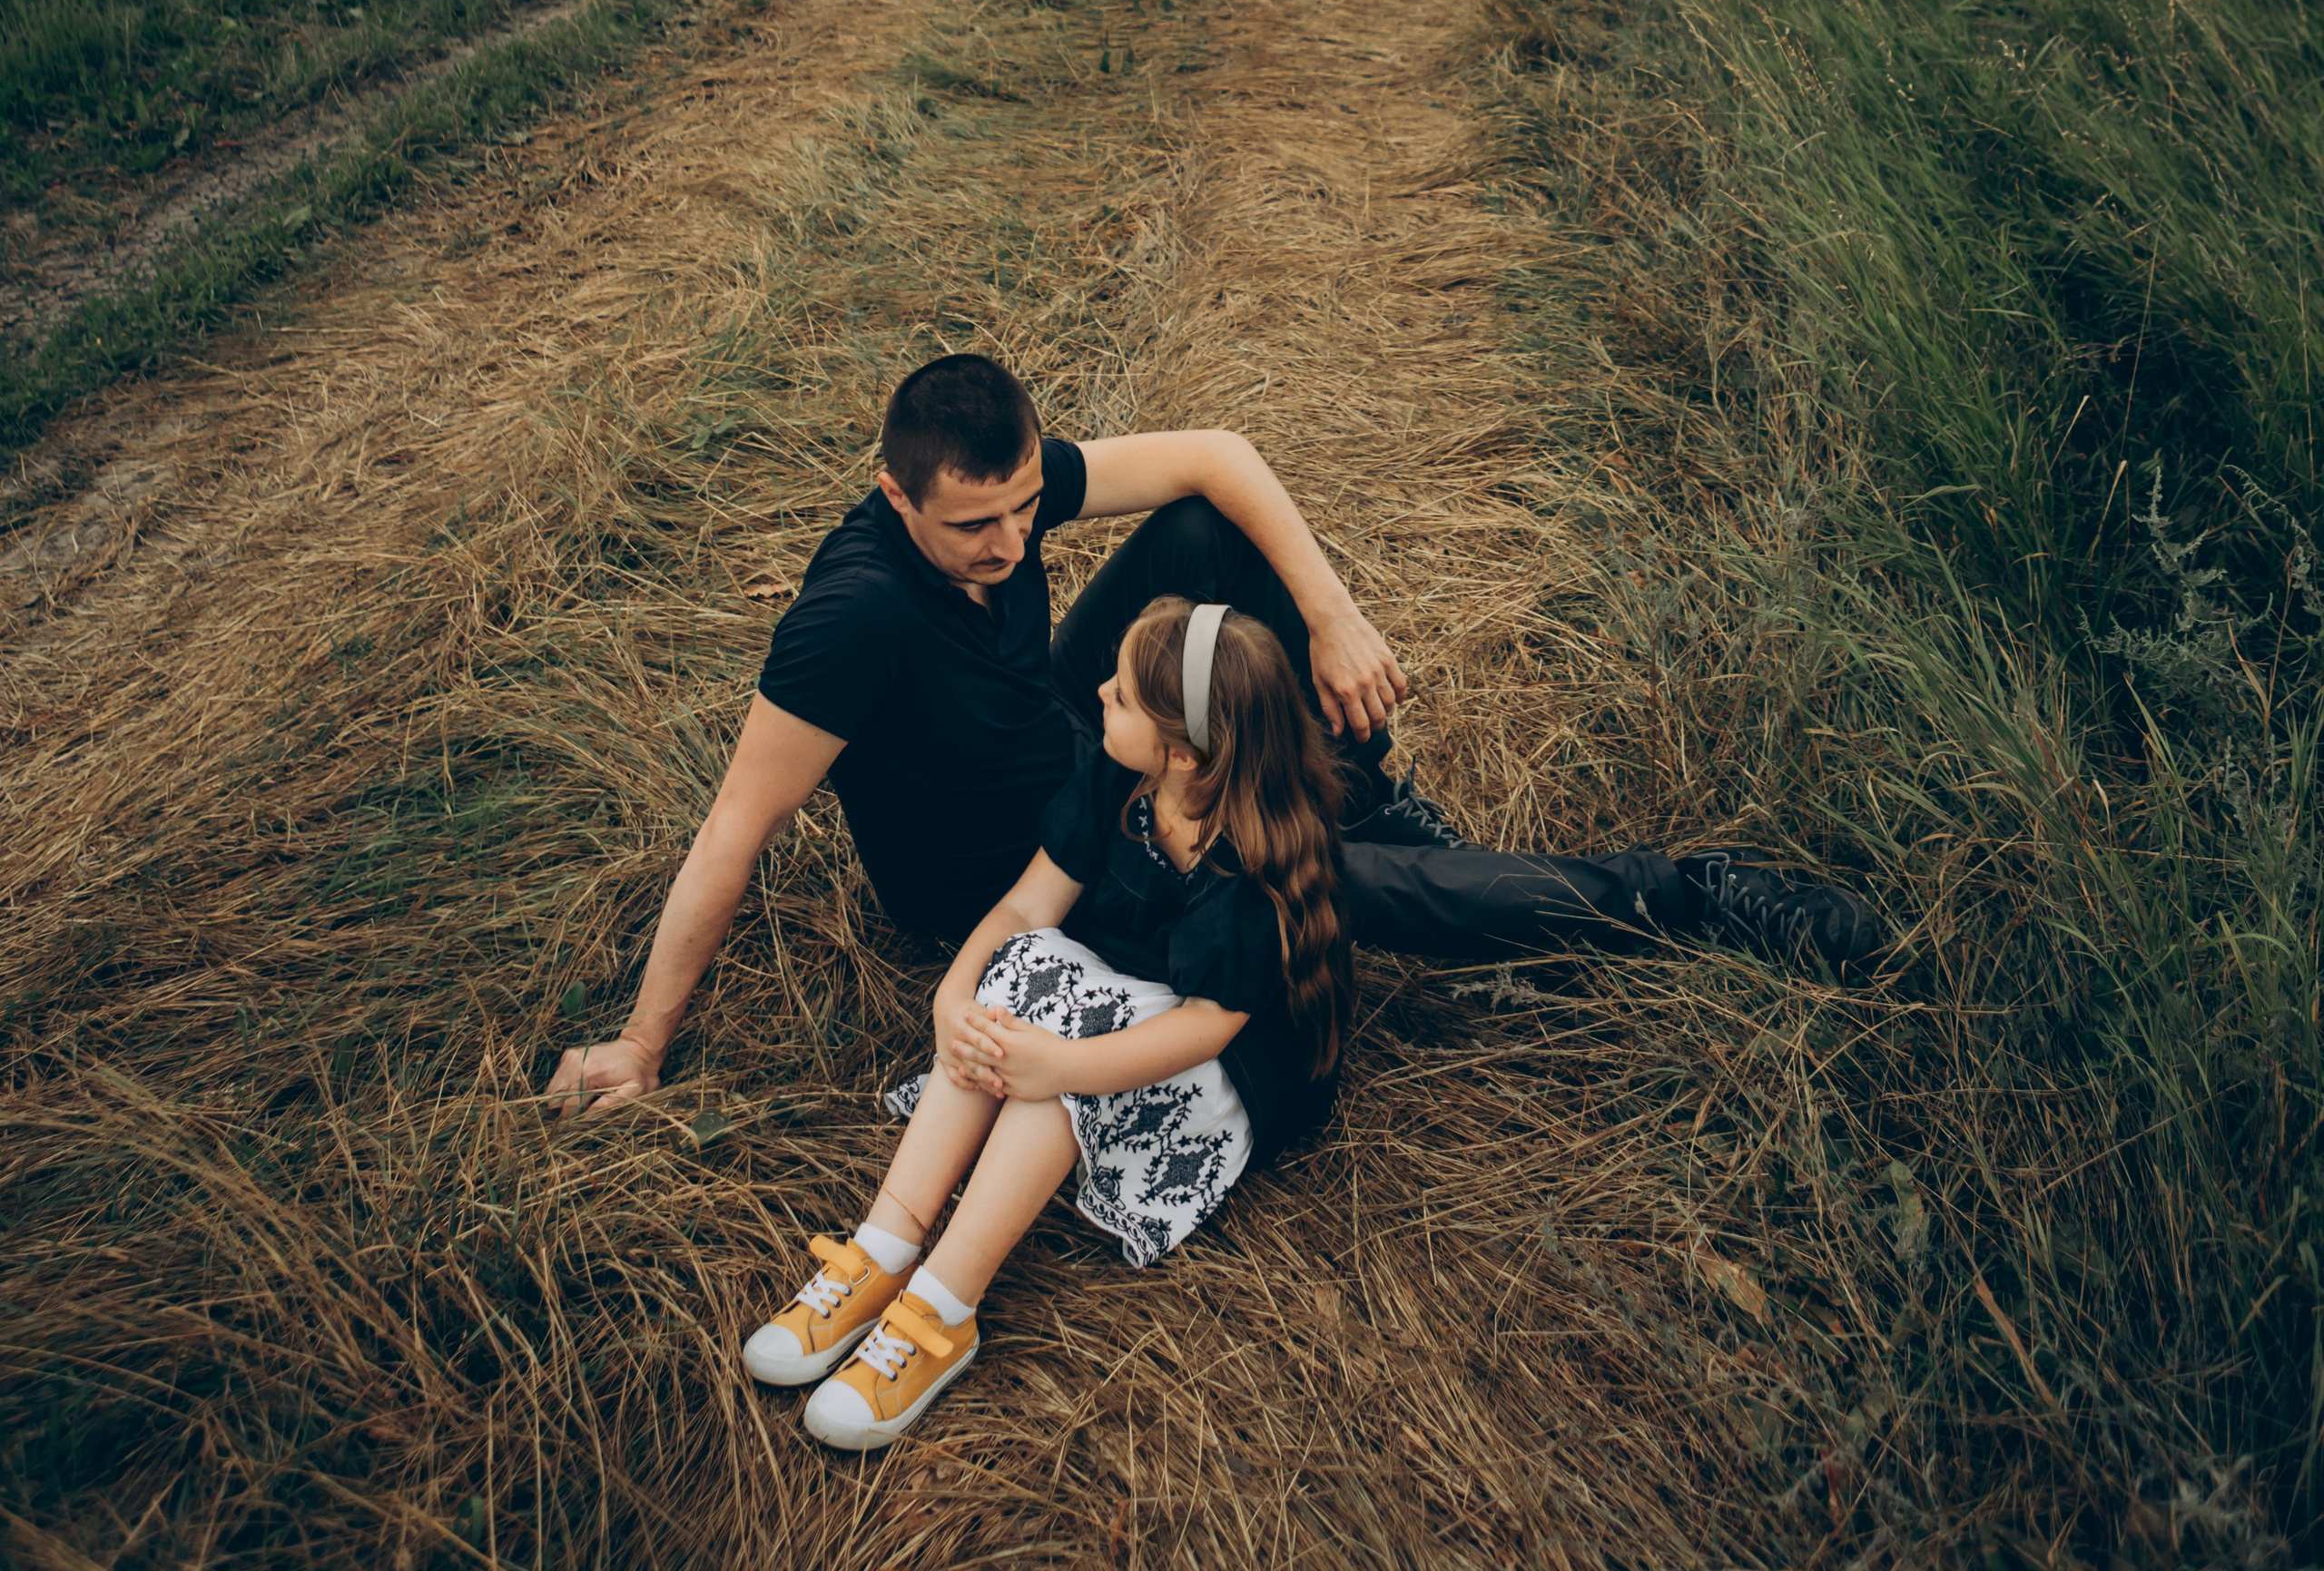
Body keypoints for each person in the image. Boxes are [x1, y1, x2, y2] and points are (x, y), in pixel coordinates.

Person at [543, 353, 1876, 1124]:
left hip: (1072, 735)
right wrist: (644, 1044)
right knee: (1324, 882)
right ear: (896, 496)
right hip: (1030, 859)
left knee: (1199, 536)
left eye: (1023, 511)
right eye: (975, 528)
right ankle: (1683, 897)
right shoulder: (855, 616)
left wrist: (1335, 617)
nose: (1011, 549)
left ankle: (1353, 781)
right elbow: (737, 822)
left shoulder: (1000, 505)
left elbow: (1217, 453)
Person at [744, 594, 1352, 1447]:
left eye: (1125, 694)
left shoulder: (1247, 865)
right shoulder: (1123, 773)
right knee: (1019, 990)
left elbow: (1207, 1030)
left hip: (1202, 1072)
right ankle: (883, 1249)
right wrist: (952, 999)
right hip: (1111, 1005)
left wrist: (1060, 1068)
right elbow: (1030, 904)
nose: (1100, 690)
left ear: (1183, 749)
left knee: (1056, 1059)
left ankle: (944, 1307)